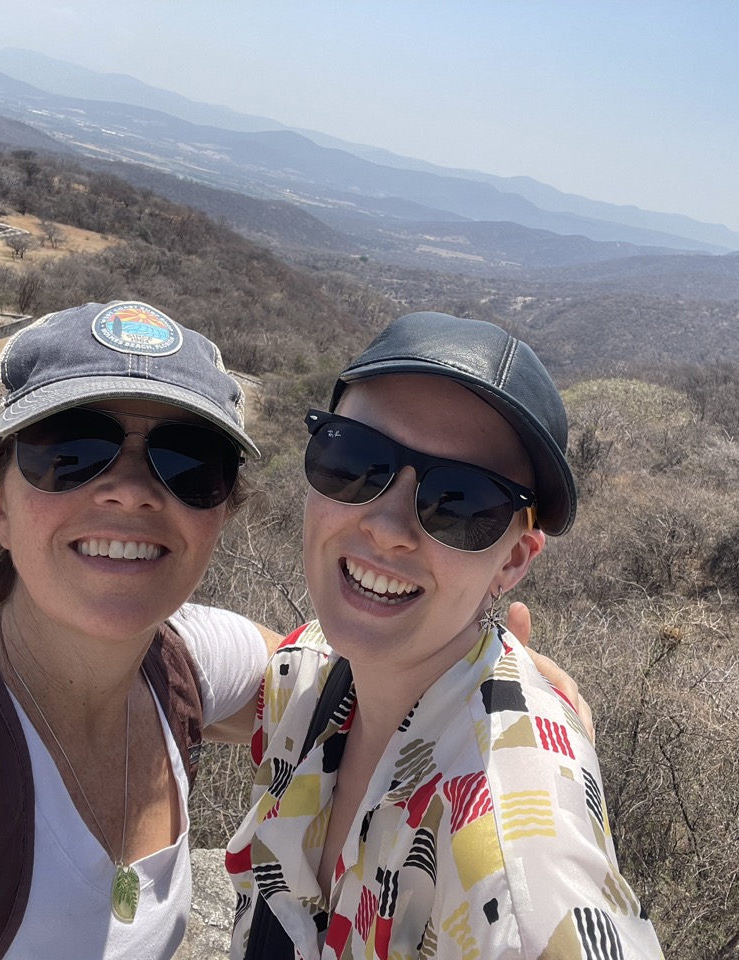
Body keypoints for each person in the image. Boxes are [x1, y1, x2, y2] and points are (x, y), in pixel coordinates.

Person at [0, 300, 588, 960]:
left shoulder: (184, 667)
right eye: (70, 450)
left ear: (217, 512)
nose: (129, 490)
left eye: (188, 461)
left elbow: (349, 675)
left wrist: (503, 688)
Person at [226, 312, 664, 959]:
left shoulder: (514, 852)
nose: (388, 526)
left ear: (513, 562)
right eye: (355, 458)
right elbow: (159, 651)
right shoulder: (306, 679)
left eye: (461, 503)